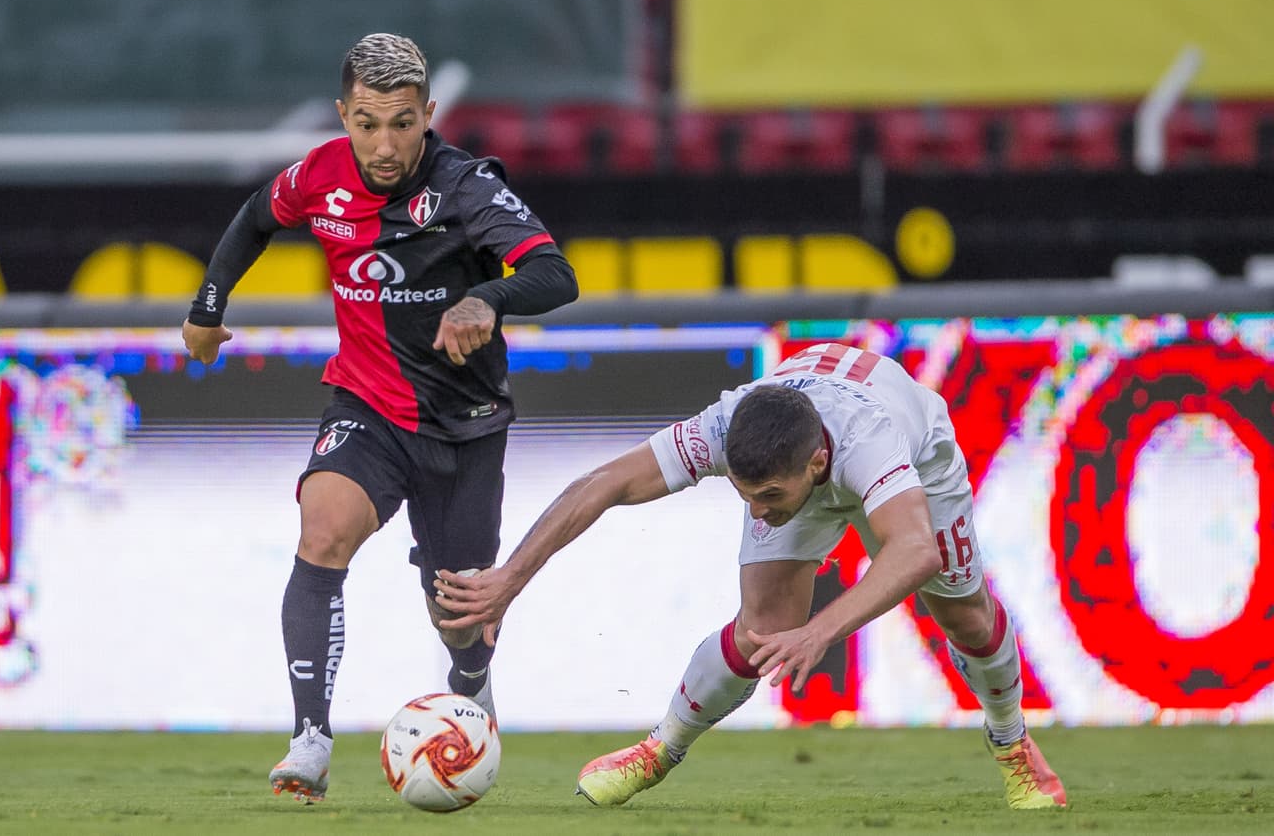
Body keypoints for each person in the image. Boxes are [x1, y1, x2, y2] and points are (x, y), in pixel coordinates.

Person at [181, 32, 578, 803]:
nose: (384, 145)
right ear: (344, 116)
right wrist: (207, 307)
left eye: (402, 123)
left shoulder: (466, 187)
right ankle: (310, 739)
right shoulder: (319, 174)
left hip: (464, 425)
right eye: (367, 124)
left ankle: (470, 680)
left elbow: (554, 273)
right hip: (366, 405)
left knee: (459, 613)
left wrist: (486, 297)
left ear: (428, 114)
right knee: (323, 528)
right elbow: (256, 217)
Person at [434, 341, 1067, 811]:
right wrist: (509, 578)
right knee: (762, 627)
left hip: (917, 460)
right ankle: (659, 749)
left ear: (817, 463)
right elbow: (605, 483)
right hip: (809, 436)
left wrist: (820, 631)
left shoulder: (866, 442)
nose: (756, 512)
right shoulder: (726, 424)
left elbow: (915, 550)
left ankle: (1011, 741)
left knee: (965, 616)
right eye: (744, 494)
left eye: (766, 496)